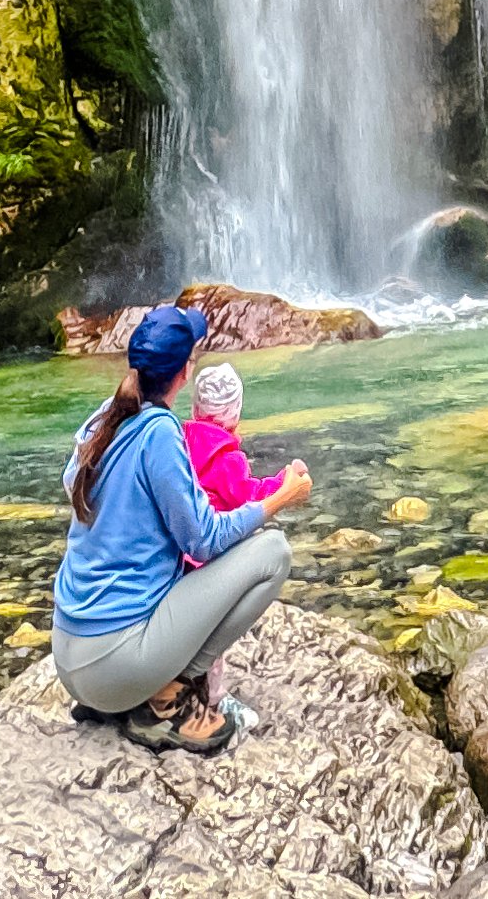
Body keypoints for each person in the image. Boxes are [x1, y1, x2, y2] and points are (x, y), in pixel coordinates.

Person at [49, 303, 310, 753]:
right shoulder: (159, 433)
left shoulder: (105, 418)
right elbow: (203, 541)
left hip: (70, 661)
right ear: (185, 372)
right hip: (113, 668)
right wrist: (278, 499)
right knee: (275, 552)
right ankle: (165, 700)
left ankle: (138, 693)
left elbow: (74, 482)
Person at [183, 363, 266, 514]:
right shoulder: (229, 460)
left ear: (195, 408)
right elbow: (250, 498)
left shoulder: (179, 443)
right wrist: (283, 483)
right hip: (216, 530)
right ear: (235, 413)